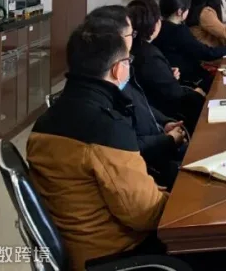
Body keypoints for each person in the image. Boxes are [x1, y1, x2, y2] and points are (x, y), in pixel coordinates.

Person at [26, 20, 167, 271]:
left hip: (80, 249)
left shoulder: (45, 121)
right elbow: (144, 214)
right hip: (118, 256)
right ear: (117, 69)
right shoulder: (106, 128)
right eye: (128, 61)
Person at [88, 6, 190, 186]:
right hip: (150, 167)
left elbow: (141, 104)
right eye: (131, 34)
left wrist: (165, 123)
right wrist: (167, 140)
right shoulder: (108, 83)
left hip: (158, 142)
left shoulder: (124, 68)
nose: (134, 38)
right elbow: (130, 145)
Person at [128, 0, 205, 133]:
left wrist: (167, 74)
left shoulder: (131, 49)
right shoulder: (149, 54)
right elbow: (175, 94)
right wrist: (196, 93)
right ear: (156, 23)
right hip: (163, 115)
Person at [154, 0, 226, 90]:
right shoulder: (179, 31)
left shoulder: (157, 28)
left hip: (174, 80)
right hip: (191, 80)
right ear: (180, 11)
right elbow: (208, 53)